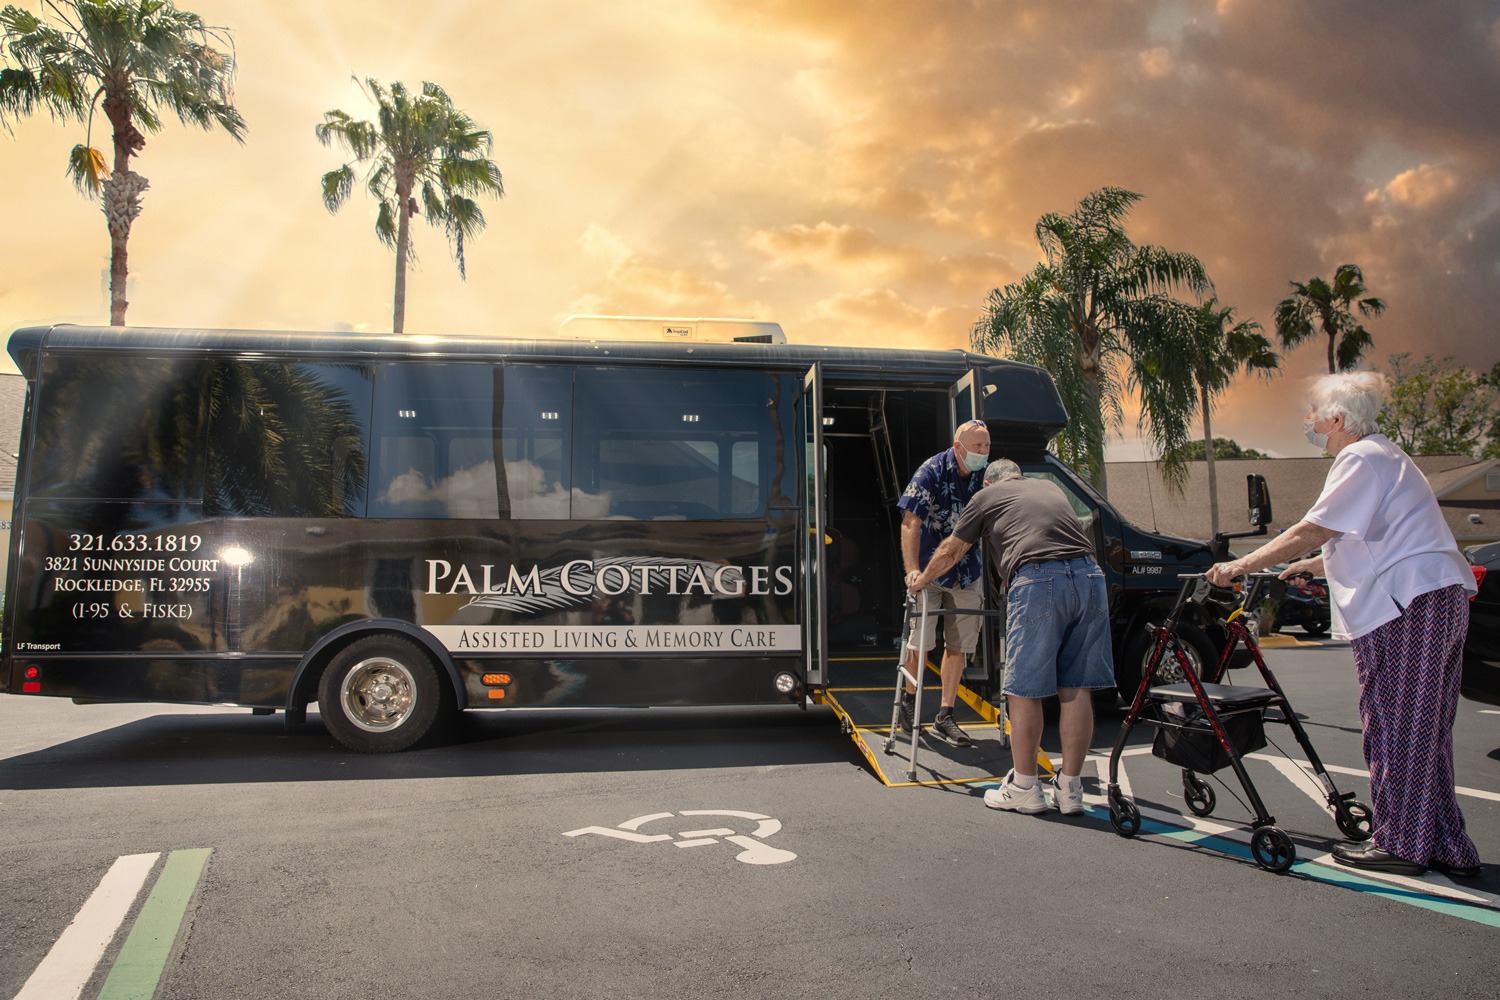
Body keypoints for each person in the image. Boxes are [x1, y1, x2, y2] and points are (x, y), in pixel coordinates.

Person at [1205, 371, 1480, 878]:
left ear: (1337, 418)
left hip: (1407, 605)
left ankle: (1400, 843)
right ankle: (1443, 842)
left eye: (1313, 412)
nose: (1308, 421)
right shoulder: (1387, 458)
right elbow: (1370, 535)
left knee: (1396, 725)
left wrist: (1241, 565)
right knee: (1425, 730)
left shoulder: (1359, 457)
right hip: (1434, 597)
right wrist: (1311, 565)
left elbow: (1316, 526)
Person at [908, 458, 1114, 814]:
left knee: (1023, 688)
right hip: (1090, 578)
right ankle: (1070, 790)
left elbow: (952, 549)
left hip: (1039, 579)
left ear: (989, 483)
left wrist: (921, 579)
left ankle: (1024, 786)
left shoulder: (988, 496)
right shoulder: (1049, 488)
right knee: (1076, 687)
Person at [895, 419, 991, 747]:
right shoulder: (931, 471)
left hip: (967, 571)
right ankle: (909, 701)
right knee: (920, 642)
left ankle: (945, 714)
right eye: (978, 446)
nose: (983, 452)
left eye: (987, 446)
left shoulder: (987, 476)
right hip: (927, 571)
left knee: (959, 644)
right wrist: (912, 571)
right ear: (958, 447)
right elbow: (911, 521)